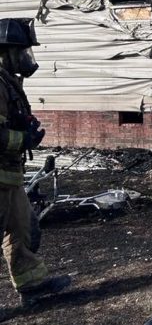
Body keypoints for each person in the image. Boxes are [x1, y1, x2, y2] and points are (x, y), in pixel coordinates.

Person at [0, 18, 71, 308]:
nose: (27, 58)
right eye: (23, 52)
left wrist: (26, 131)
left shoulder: (8, 82)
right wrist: (22, 139)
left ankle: (32, 285)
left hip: (8, 175)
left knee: (21, 231)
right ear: (6, 52)